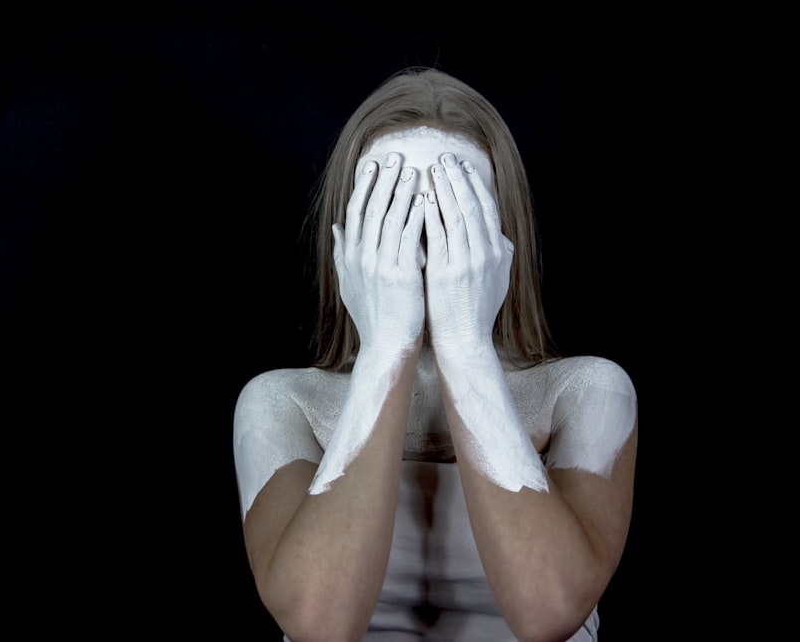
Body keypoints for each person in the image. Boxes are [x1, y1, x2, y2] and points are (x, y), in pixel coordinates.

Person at [232, 66, 638, 642]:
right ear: (348, 235)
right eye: (391, 211)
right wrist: (386, 346)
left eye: (455, 210)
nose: (422, 240)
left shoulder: (586, 393)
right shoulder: (279, 404)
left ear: (502, 233)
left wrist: (464, 341)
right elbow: (320, 623)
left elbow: (549, 611)